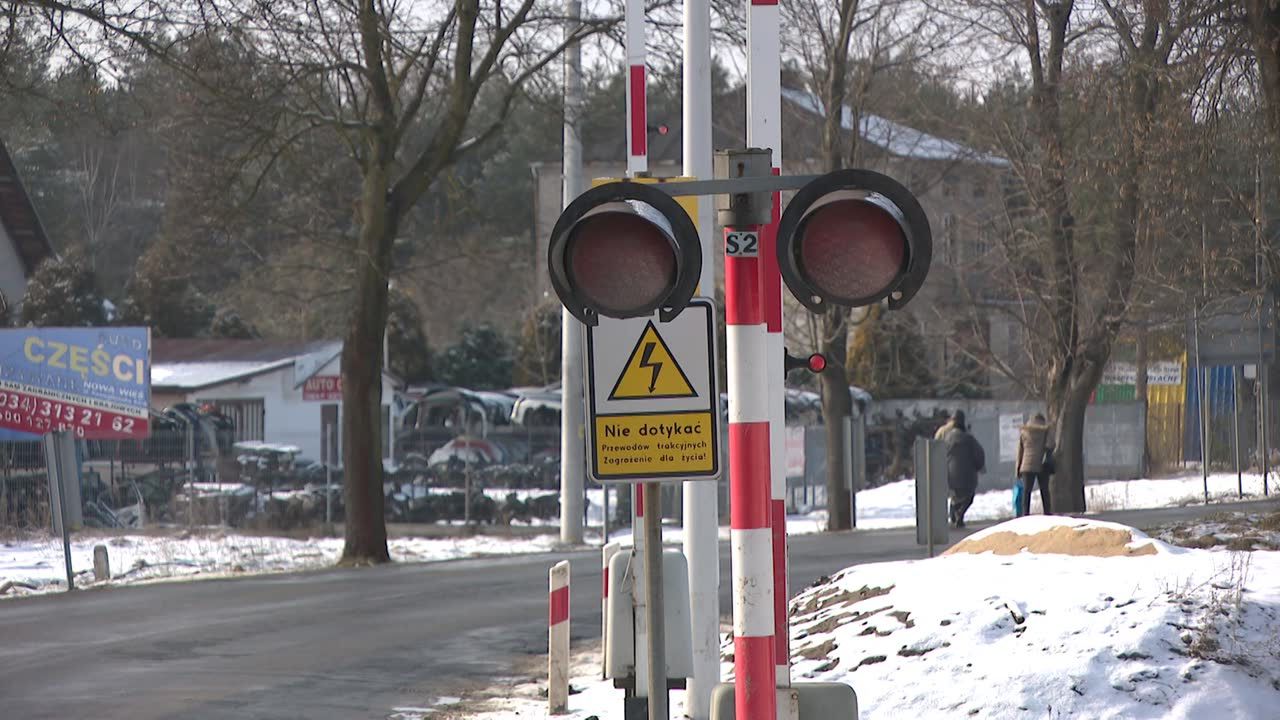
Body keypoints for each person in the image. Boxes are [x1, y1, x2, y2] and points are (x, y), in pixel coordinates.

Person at [942, 410, 985, 528]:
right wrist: (979, 466)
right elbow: (979, 454)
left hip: (950, 475)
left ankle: (954, 514)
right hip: (967, 476)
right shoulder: (968, 438)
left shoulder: (946, 438)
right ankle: (959, 514)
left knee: (955, 496)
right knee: (969, 496)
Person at [1015, 413, 1053, 516]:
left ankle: (1025, 514)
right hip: (1041, 464)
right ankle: (1047, 513)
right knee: (1044, 490)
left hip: (1026, 465)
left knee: (1026, 492)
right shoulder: (1045, 431)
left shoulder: (1024, 432)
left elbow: (1020, 452)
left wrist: (1017, 470)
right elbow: (1050, 445)